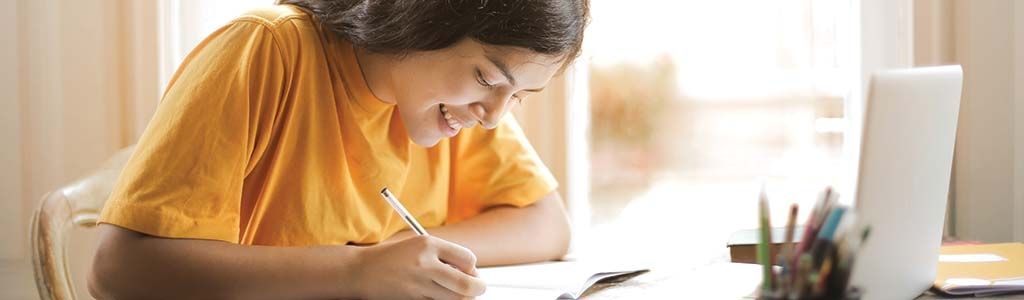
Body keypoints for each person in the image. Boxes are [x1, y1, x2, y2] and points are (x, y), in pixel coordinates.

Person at [87, 0, 589, 299]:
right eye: (485, 77)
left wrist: (404, 256)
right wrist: (358, 271)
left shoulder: (451, 104)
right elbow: (117, 269)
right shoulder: (267, 50)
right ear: (421, 18)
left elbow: (547, 224)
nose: (495, 115)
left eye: (518, 96)